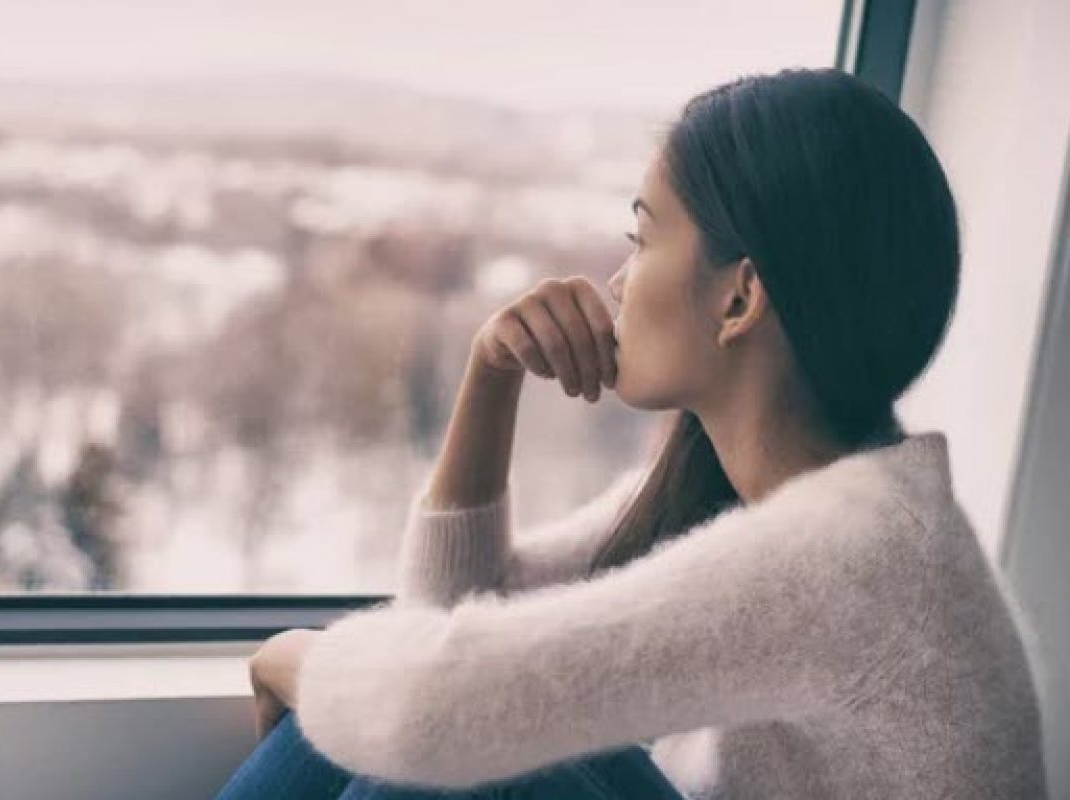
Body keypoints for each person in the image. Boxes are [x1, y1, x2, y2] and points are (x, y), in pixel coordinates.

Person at [214, 67, 1047, 799]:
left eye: (642, 238)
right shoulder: (742, 490)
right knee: (438, 722)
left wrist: (296, 658)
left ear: (739, 298)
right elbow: (451, 620)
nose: (618, 278)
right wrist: (490, 376)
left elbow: (431, 712)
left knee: (479, 742)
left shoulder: (857, 552)